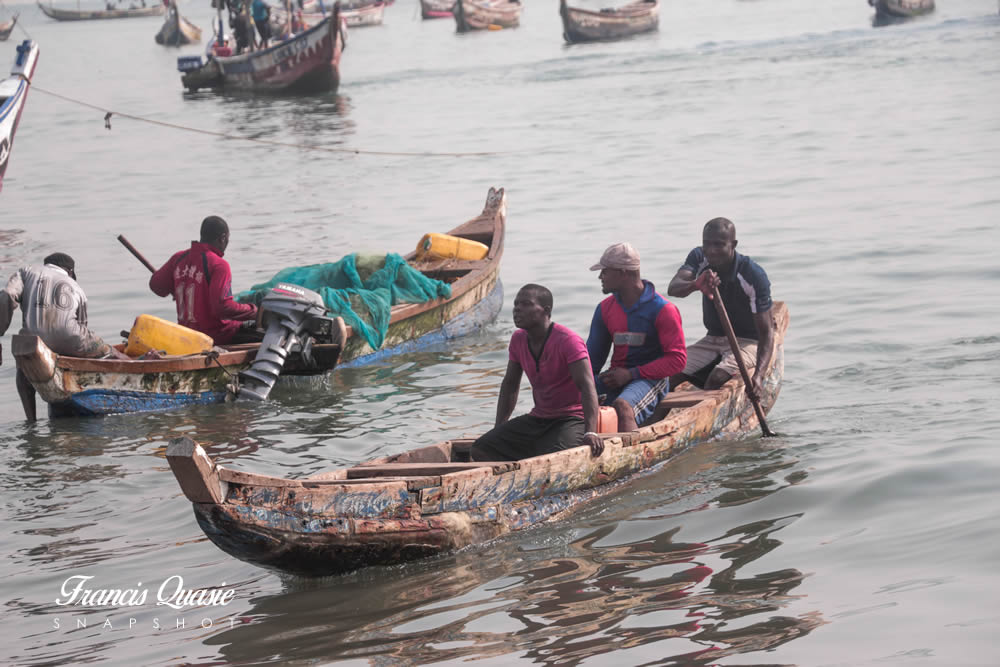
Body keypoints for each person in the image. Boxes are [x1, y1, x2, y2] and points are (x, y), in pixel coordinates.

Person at [470, 284, 604, 462]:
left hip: (571, 419)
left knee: (555, 458)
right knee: (481, 448)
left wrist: (591, 431)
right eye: (516, 304)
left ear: (546, 311)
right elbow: (510, 385)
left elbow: (587, 386)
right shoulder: (518, 339)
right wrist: (499, 428)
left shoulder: (568, 341)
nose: (517, 309)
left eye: (526, 304)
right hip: (539, 417)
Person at [0, 253, 127, 420]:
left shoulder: (27, 272)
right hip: (72, 338)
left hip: (34, 339)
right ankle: (134, 363)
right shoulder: (77, 288)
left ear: (47, 265)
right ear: (71, 271)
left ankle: (31, 420)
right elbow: (82, 328)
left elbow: (8, 295)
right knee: (109, 352)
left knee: (23, 364)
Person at [667, 217, 774, 399]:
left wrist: (759, 376)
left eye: (719, 245)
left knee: (716, 379)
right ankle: (655, 422)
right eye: (706, 244)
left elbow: (767, 334)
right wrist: (696, 284)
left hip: (748, 342)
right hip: (712, 339)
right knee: (669, 374)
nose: (711, 251)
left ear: (733, 244)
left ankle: (706, 417)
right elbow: (674, 288)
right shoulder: (699, 257)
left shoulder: (752, 274)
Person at [587, 242, 687, 432]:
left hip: (650, 379)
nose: (601, 277)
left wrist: (631, 374)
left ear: (624, 273)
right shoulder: (605, 309)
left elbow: (677, 360)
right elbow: (592, 359)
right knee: (569, 398)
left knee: (623, 407)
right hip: (616, 376)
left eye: (605, 271)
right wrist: (584, 389)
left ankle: (632, 454)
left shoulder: (663, 310)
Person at [149, 216, 259, 346]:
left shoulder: (178, 258)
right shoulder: (219, 265)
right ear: (223, 238)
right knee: (266, 334)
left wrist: (176, 288)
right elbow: (222, 308)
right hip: (216, 336)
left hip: (186, 336)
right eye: (227, 239)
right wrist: (254, 311)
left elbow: (156, 286)